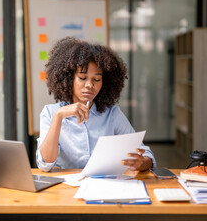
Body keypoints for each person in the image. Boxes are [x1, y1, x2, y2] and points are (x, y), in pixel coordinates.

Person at [36, 37, 156, 172]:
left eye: (97, 79)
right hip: (64, 189)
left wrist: (143, 162)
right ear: (69, 79)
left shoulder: (112, 114)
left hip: (104, 186)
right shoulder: (51, 113)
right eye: (82, 78)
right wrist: (59, 116)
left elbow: (145, 154)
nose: (90, 85)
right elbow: (45, 164)